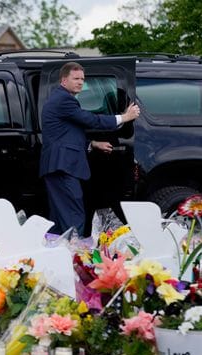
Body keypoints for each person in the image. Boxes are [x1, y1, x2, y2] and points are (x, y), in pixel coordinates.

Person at [39, 61, 140, 236]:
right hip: (63, 166)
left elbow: (66, 132)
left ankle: (57, 253)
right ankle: (75, 256)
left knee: (59, 217)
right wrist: (124, 117)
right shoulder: (64, 100)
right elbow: (91, 120)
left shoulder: (59, 99)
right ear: (64, 81)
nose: (80, 82)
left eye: (82, 79)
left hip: (56, 166)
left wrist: (92, 144)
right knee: (73, 214)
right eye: (76, 78)